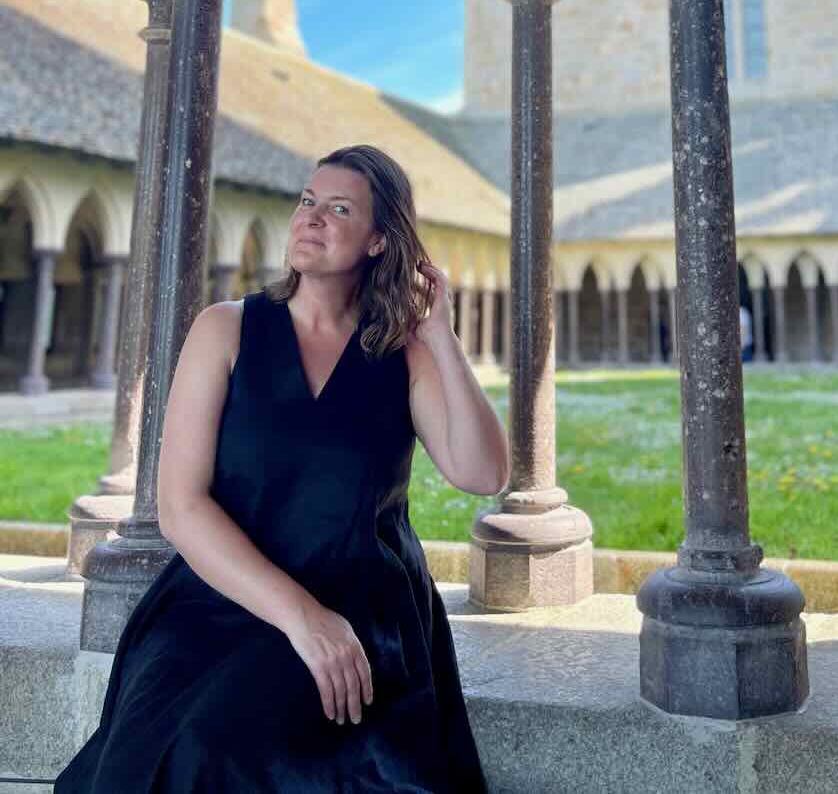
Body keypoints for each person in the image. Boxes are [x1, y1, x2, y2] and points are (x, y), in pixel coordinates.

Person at [56, 143, 508, 791]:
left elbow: (482, 473)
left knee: (252, 749)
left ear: (380, 240)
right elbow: (181, 506)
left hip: (361, 605)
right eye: (306, 201)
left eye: (339, 208)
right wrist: (301, 618)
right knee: (183, 746)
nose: (311, 218)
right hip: (224, 592)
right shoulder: (225, 330)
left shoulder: (402, 352)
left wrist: (440, 336)